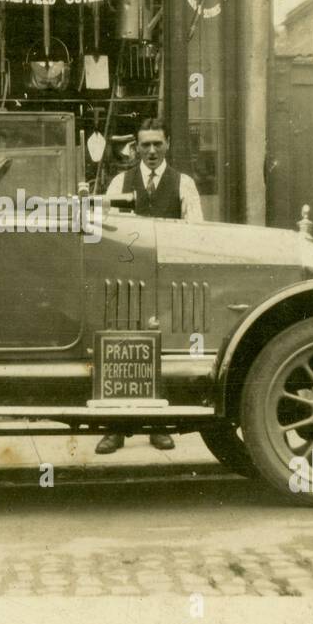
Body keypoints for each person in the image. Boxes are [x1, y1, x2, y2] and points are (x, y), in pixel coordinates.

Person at [96, 119, 203, 455]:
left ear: (167, 144)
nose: (152, 151)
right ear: (136, 148)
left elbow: (195, 233)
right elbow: (105, 230)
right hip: (126, 278)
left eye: (158, 144)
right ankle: (116, 428)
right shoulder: (119, 182)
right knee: (120, 348)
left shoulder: (183, 184)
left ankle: (158, 426)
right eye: (146, 145)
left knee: (160, 347)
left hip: (166, 278)